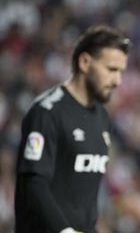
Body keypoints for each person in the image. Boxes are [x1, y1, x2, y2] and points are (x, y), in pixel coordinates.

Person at [14, 25, 130, 233]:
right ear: (85, 62)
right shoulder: (47, 112)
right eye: (111, 70)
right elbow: (34, 183)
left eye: (121, 72)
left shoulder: (102, 118)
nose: (117, 81)